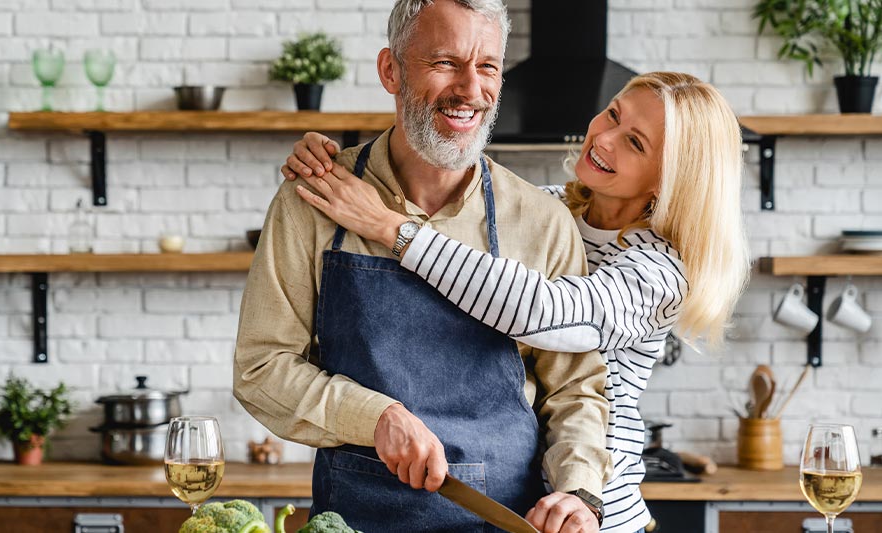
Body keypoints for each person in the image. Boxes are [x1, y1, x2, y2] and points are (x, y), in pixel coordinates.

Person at [280, 71, 750, 533]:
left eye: (636, 143)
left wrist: (388, 226)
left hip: (590, 511)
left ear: (671, 179)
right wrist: (341, 167)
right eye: (612, 115)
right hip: (518, 497)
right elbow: (447, 231)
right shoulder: (546, 210)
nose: (604, 139)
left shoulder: (658, 272)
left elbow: (538, 313)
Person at [235, 1, 613, 533]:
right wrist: (376, 417)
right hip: (355, 521)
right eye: (444, 62)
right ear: (390, 70)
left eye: (487, 66)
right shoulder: (315, 197)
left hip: (504, 521)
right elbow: (261, 367)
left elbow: (574, 389)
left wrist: (579, 492)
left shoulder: (540, 220)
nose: (470, 88)